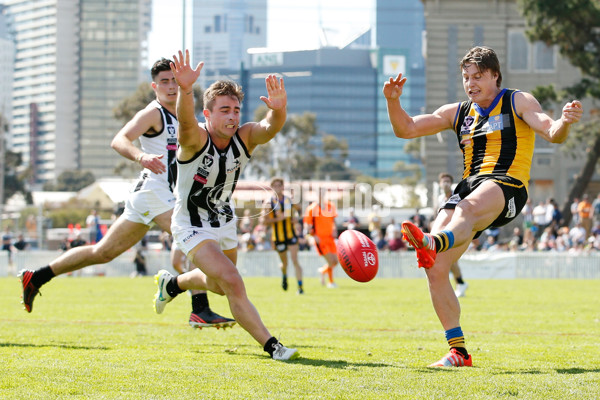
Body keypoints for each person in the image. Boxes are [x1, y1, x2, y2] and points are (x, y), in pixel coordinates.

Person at [383, 46, 583, 367]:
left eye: (477, 77)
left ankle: (434, 241)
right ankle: (458, 351)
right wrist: (393, 101)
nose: (470, 83)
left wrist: (564, 122)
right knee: (434, 267)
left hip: (507, 186)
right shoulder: (457, 112)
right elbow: (406, 129)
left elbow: (550, 131)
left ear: (494, 75)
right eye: (466, 77)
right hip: (468, 187)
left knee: (462, 213)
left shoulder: (518, 100)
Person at [18, 58, 233, 330]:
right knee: (196, 238)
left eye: (174, 80)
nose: (170, 87)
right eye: (164, 82)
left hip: (162, 197)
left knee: (102, 252)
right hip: (153, 193)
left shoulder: (187, 116)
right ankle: (198, 308)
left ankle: (36, 277)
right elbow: (119, 139)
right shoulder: (154, 113)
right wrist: (141, 156)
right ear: (154, 87)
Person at [152, 49, 298, 360]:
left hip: (224, 220)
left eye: (236, 110)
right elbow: (186, 121)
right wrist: (187, 89)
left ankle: (173, 284)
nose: (232, 116)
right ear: (208, 114)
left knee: (219, 286)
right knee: (232, 281)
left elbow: (270, 128)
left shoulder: (243, 136)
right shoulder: (194, 138)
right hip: (190, 223)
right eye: (224, 110)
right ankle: (274, 347)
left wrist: (279, 110)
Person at [263, 177, 304, 294]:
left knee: (295, 260)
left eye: (279, 185)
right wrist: (277, 219)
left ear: (282, 187)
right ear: (272, 188)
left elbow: (300, 211)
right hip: (278, 237)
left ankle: (300, 287)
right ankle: (284, 275)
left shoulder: (290, 200)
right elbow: (265, 221)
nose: (277, 188)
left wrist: (297, 219)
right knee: (284, 263)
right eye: (275, 186)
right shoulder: (269, 203)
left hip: (291, 235)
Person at [437, 173, 468, 298]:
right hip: (441, 231)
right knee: (449, 260)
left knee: (450, 259)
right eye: (443, 181)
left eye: (447, 181)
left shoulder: (455, 197)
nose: (445, 183)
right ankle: (460, 283)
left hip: (452, 231)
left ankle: (459, 284)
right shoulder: (440, 198)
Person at [303, 189, 339, 288]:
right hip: (320, 239)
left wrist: (334, 229)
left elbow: (333, 220)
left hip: (330, 238)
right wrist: (313, 236)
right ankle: (331, 282)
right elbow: (307, 224)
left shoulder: (330, 206)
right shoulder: (311, 208)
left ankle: (322, 271)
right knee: (330, 261)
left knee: (336, 261)